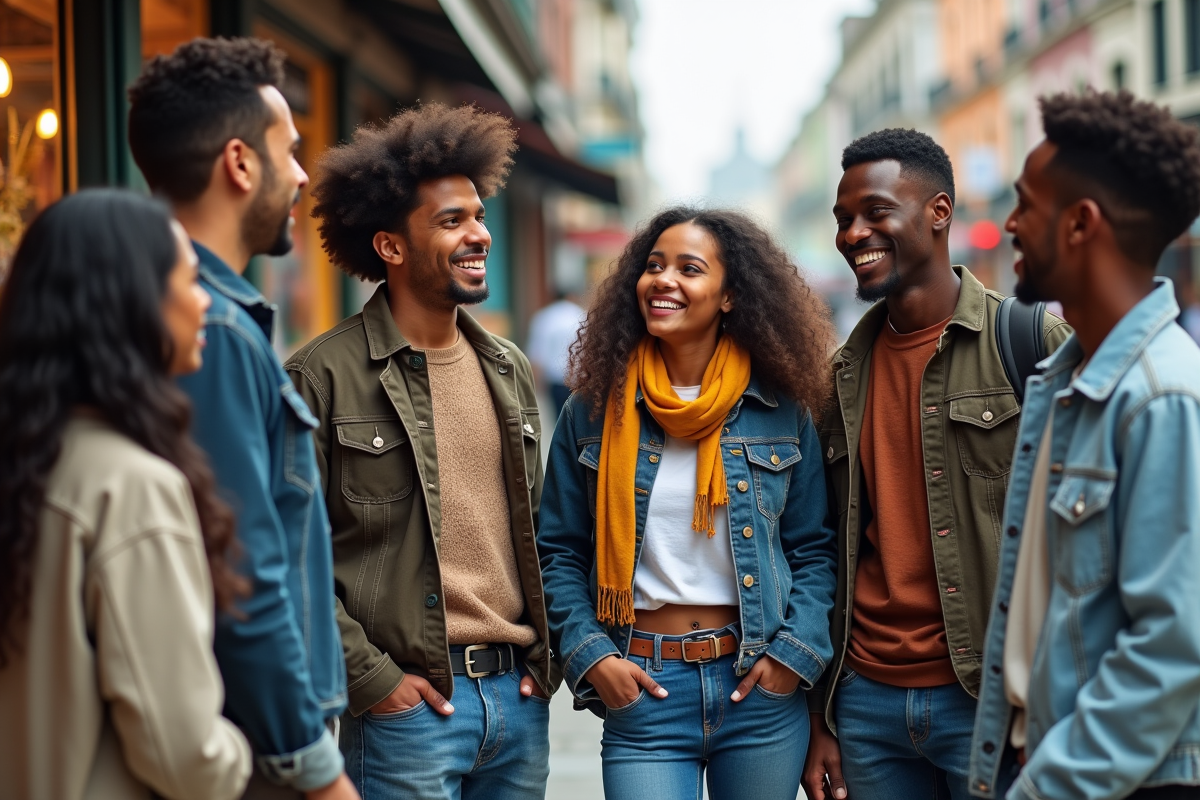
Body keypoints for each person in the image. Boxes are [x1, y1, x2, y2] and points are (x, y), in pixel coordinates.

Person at [289, 102, 557, 800]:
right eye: (452, 222)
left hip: (518, 703)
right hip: (406, 715)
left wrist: (544, 664)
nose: (480, 235)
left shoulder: (508, 368)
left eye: (477, 215)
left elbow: (539, 534)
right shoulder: (321, 377)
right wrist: (373, 683)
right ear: (391, 247)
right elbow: (290, 553)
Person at [803, 129, 1071, 800]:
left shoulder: (1032, 343)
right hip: (865, 706)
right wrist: (822, 717)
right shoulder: (837, 379)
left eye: (874, 212)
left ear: (939, 212)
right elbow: (820, 548)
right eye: (843, 220)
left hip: (993, 701)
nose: (853, 233)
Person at [538, 206, 839, 800]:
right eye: (653, 266)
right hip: (644, 688)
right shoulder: (593, 411)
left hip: (755, 689)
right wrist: (591, 656)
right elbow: (559, 551)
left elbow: (814, 548)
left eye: (689, 268)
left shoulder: (782, 408)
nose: (663, 280)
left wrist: (790, 659)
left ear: (730, 296)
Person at [126, 38, 354, 800]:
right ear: (239, 163)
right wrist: (317, 771)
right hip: (260, 755)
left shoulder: (190, 313)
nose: (301, 176)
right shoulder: (214, 331)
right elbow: (243, 574)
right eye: (290, 152)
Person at [970, 91, 1200, 800]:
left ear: (1079, 224)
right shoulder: (1063, 383)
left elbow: (1173, 644)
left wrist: (1047, 787)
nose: (1009, 224)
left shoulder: (1163, 397)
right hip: (1042, 759)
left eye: (1025, 204)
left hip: (1117, 782)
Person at [0, 190, 251, 800]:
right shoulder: (133, 488)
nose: (203, 302)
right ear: (131, 303)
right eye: (190, 280)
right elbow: (182, 754)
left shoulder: (30, 464)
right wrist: (246, 757)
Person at [527, 290, 586, 416]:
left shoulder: (545, 317)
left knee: (559, 417)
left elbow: (538, 354)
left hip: (555, 379)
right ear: (571, 296)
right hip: (578, 378)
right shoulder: (581, 315)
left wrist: (536, 386)